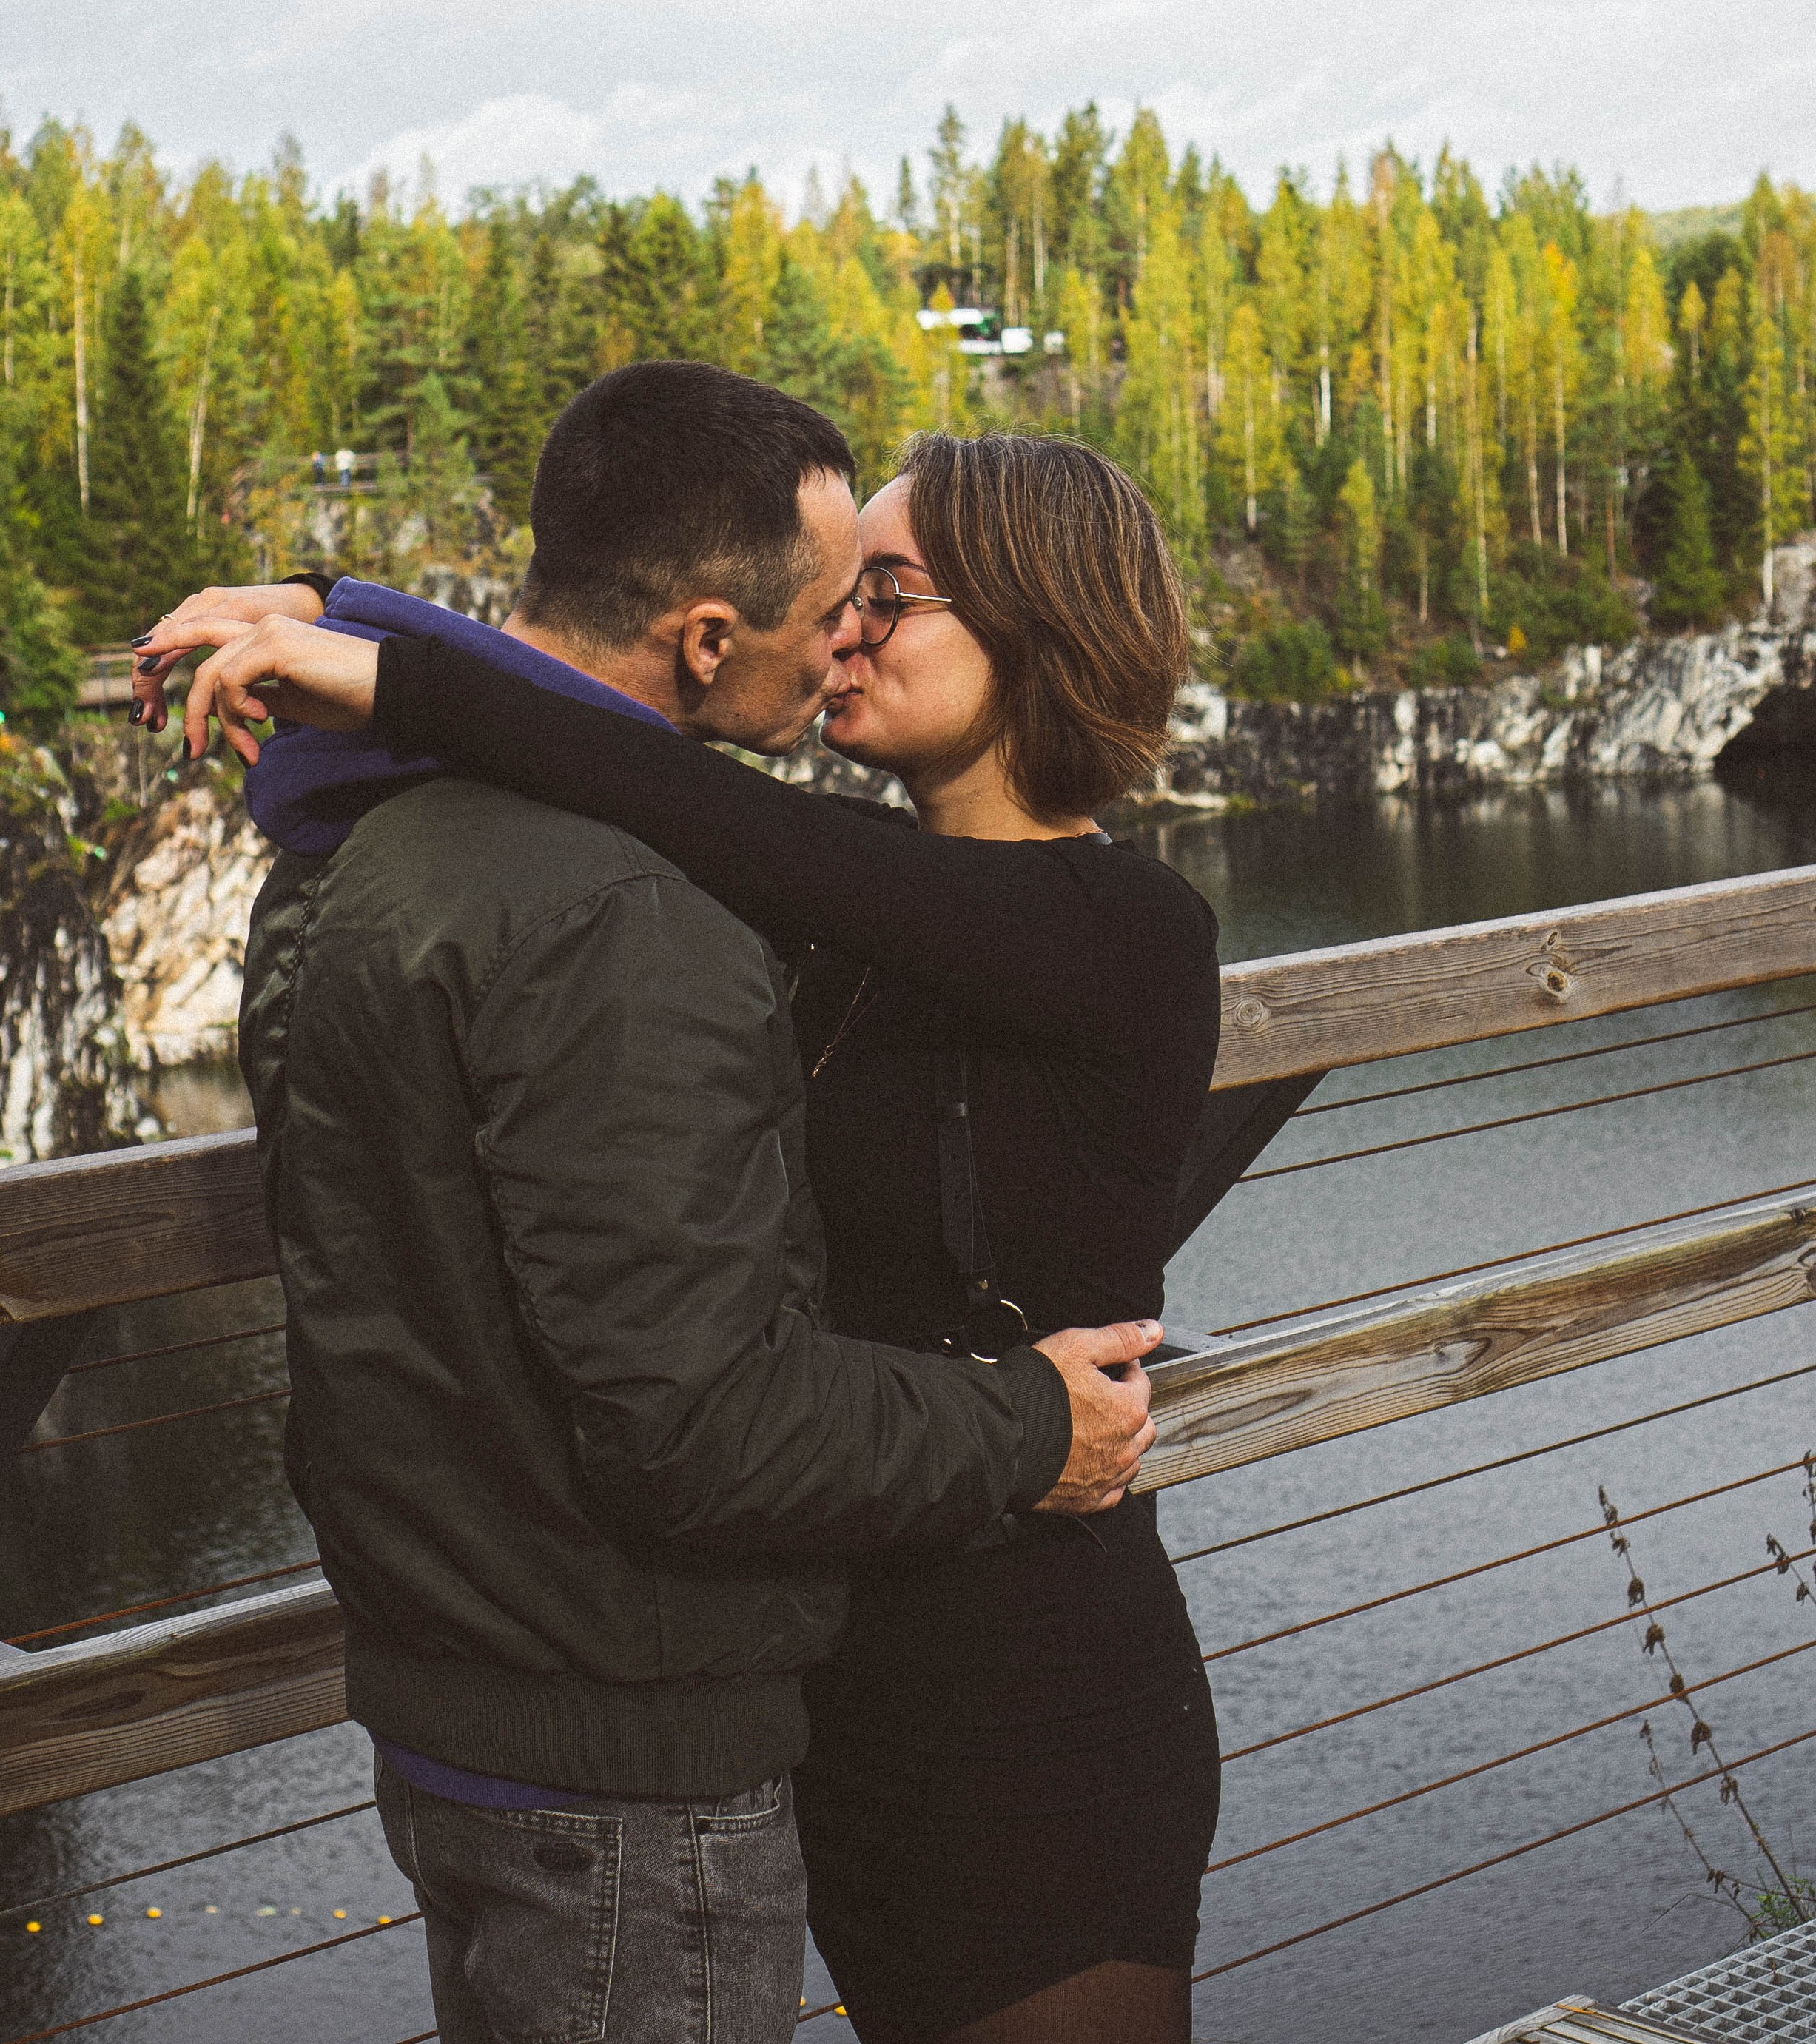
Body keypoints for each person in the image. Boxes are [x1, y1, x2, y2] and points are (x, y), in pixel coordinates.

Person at [136, 366, 1165, 2044]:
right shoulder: (767, 911)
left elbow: (668, 789)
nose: (841, 636)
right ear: (705, 636)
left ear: (1036, 628)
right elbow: (655, 782)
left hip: (1011, 1685)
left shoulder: (1103, 929)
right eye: (848, 596)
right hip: (767, 1672)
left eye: (885, 597)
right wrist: (361, 628)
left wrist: (373, 644)